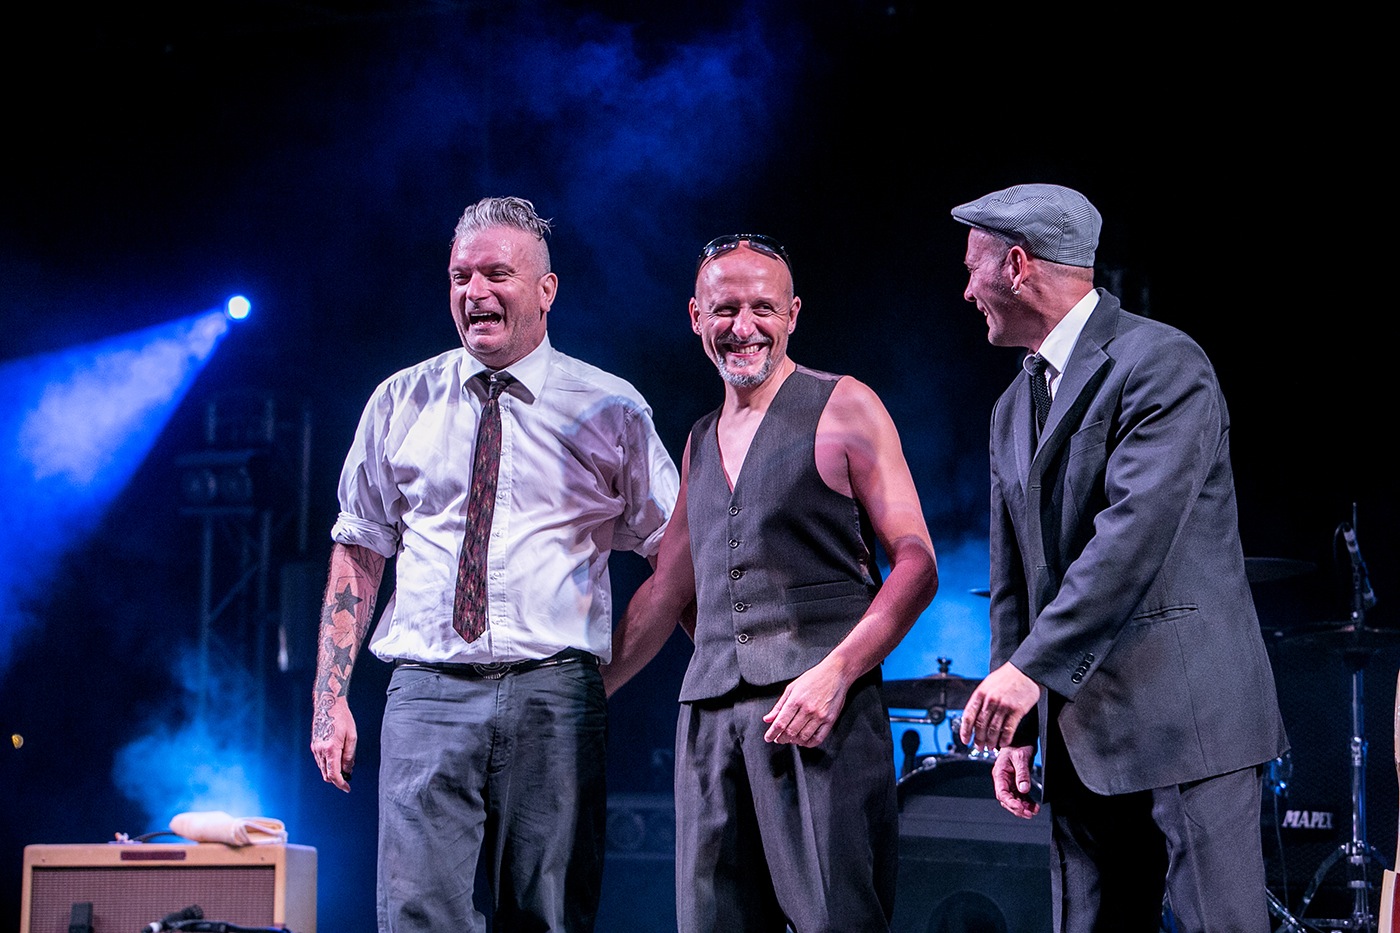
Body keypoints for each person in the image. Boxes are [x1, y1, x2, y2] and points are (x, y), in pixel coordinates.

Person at [309, 196, 679, 932]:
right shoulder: (400, 400)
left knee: (548, 916)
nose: (474, 292)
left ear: (546, 290)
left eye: (496, 274)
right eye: (460, 276)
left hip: (555, 695)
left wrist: (601, 675)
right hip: (426, 692)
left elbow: (675, 557)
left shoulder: (610, 407)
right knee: (416, 916)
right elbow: (358, 549)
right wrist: (329, 700)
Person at [950, 183, 1288, 931]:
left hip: (1186, 720)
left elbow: (1131, 539)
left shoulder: (1162, 362)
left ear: (1016, 265)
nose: (966, 290)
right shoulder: (1011, 407)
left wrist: (1030, 670)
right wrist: (1019, 723)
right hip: (1081, 732)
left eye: (972, 267)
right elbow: (1014, 580)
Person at [604, 234, 938, 932]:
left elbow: (916, 563)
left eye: (763, 308)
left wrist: (836, 672)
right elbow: (667, 591)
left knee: (835, 920)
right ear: (696, 316)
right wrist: (583, 695)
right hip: (709, 724)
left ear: (792, 314)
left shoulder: (844, 404)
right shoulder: (698, 439)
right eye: (725, 309)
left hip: (821, 715)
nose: (744, 327)